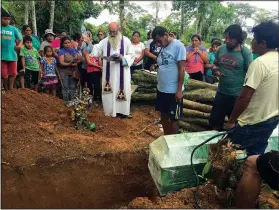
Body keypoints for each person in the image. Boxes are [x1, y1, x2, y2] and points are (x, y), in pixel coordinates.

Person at [224, 21, 279, 156]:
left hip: (251, 122)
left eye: (254, 39)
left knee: (227, 155)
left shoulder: (260, 63)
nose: (252, 42)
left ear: (263, 43)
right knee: (255, 155)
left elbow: (245, 97)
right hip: (271, 118)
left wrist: (231, 121)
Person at [209, 24, 253, 131]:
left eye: (230, 38)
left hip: (236, 96)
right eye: (226, 37)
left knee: (233, 125)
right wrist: (216, 70)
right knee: (214, 122)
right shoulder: (221, 49)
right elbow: (214, 64)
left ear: (238, 39)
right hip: (221, 93)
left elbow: (251, 74)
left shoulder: (245, 53)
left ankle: (229, 145)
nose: (227, 40)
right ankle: (215, 144)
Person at [92, 22, 135, 118]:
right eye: (110, 32)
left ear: (118, 30)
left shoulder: (126, 41)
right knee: (110, 92)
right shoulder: (104, 41)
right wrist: (89, 43)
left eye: (114, 32)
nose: (113, 34)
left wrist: (122, 59)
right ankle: (110, 111)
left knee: (122, 88)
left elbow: (131, 55)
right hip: (109, 72)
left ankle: (122, 112)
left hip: (122, 73)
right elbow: (96, 50)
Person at [152, 26, 186, 135]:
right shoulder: (163, 47)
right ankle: (166, 139)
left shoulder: (178, 46)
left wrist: (179, 90)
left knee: (174, 119)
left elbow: (182, 69)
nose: (158, 43)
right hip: (162, 89)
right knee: (164, 116)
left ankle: (173, 144)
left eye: (159, 40)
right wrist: (156, 65)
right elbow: (165, 63)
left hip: (173, 91)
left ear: (166, 35)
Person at [1, 9, 22, 91]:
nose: (7, 21)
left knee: (13, 73)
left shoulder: (13, 29)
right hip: (2, 55)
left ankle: (10, 88)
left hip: (12, 55)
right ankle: (6, 89)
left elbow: (20, 39)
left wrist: (18, 46)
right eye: (5, 18)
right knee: (3, 74)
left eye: (8, 19)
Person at [58, 36, 81, 101]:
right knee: (65, 86)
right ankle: (66, 101)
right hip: (64, 71)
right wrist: (69, 63)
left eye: (68, 42)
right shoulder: (61, 51)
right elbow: (61, 62)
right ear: (62, 44)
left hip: (73, 71)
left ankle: (73, 101)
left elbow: (81, 58)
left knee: (73, 87)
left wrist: (76, 63)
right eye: (65, 43)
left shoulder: (74, 50)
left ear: (71, 43)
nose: (67, 44)